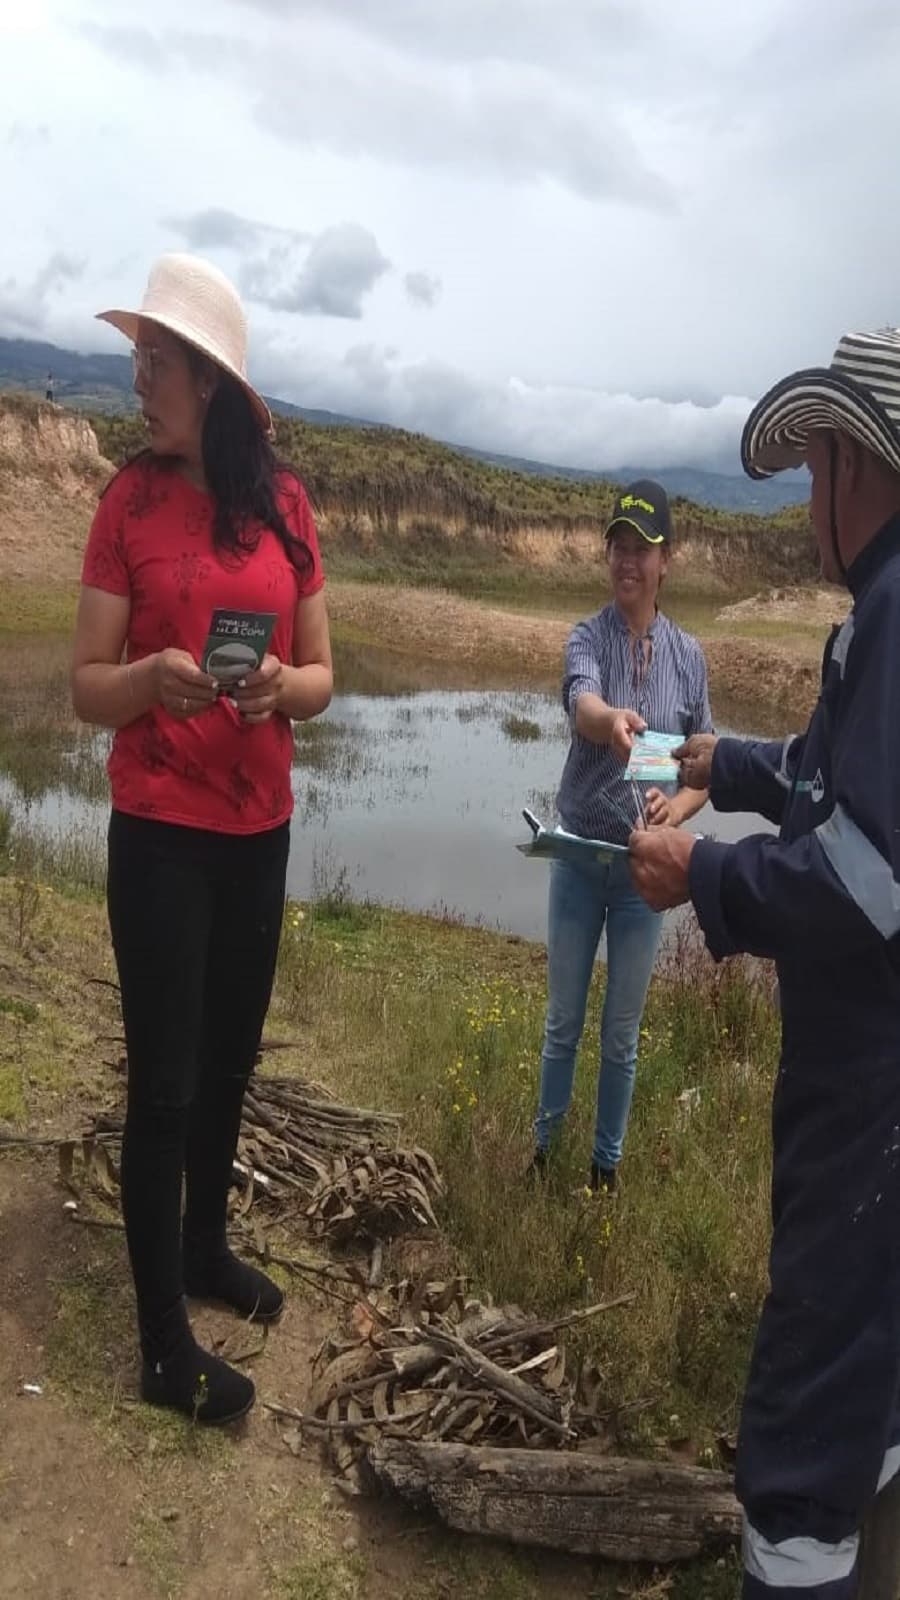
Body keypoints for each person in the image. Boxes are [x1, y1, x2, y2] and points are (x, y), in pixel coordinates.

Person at [630, 328, 900, 1600]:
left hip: (871, 1113)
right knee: (872, 1392)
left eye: (816, 468)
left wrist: (709, 877)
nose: (805, 501)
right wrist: (719, 766)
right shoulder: (881, 616)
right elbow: (827, 786)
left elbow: (866, 880)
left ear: (866, 467)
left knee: (803, 1432)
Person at [72, 253, 333, 1425]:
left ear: (213, 382)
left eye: (157, 359)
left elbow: (327, 674)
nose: (139, 376)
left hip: (258, 829)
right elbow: (85, 689)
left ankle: (205, 1247)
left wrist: (283, 686)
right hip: (161, 836)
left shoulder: (286, 504)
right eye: (139, 355)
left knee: (229, 1060)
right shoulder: (125, 502)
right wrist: (150, 678)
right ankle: (162, 1346)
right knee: (166, 1085)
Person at [530, 480, 712, 1193]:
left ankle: (606, 1169)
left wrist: (681, 811)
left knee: (621, 1035)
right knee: (563, 1021)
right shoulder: (587, 636)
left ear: (667, 560)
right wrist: (610, 723)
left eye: (641, 549)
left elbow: (702, 768)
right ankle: (543, 1158)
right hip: (579, 857)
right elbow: (582, 702)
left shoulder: (689, 657)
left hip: (645, 873)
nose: (627, 562)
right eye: (618, 547)